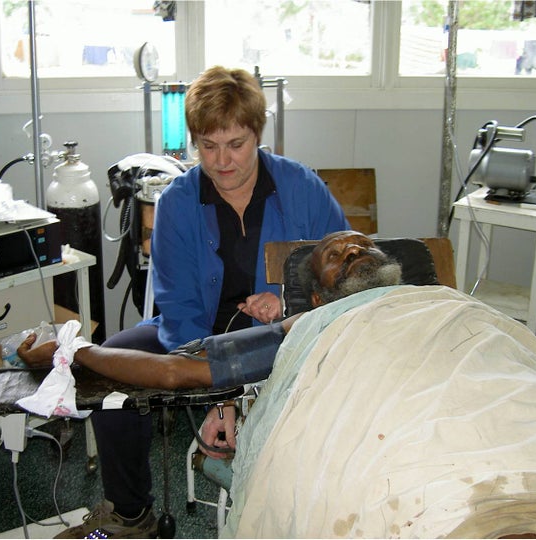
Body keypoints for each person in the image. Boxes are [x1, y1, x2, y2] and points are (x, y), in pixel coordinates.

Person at [44, 65, 350, 538]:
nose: (222, 161)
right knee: (109, 372)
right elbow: (179, 306)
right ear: (194, 142)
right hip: (196, 336)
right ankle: (130, 513)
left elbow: (343, 280)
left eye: (236, 145)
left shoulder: (303, 188)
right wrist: (216, 393)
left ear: (257, 134)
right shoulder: (177, 203)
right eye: (208, 146)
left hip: (285, 337)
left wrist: (288, 306)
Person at [19, 230, 536, 458]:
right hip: (411, 435)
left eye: (362, 246)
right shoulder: (307, 327)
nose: (353, 250)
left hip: (503, 407)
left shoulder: (446, 303)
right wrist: (73, 352)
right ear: (317, 298)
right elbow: (175, 372)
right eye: (335, 255)